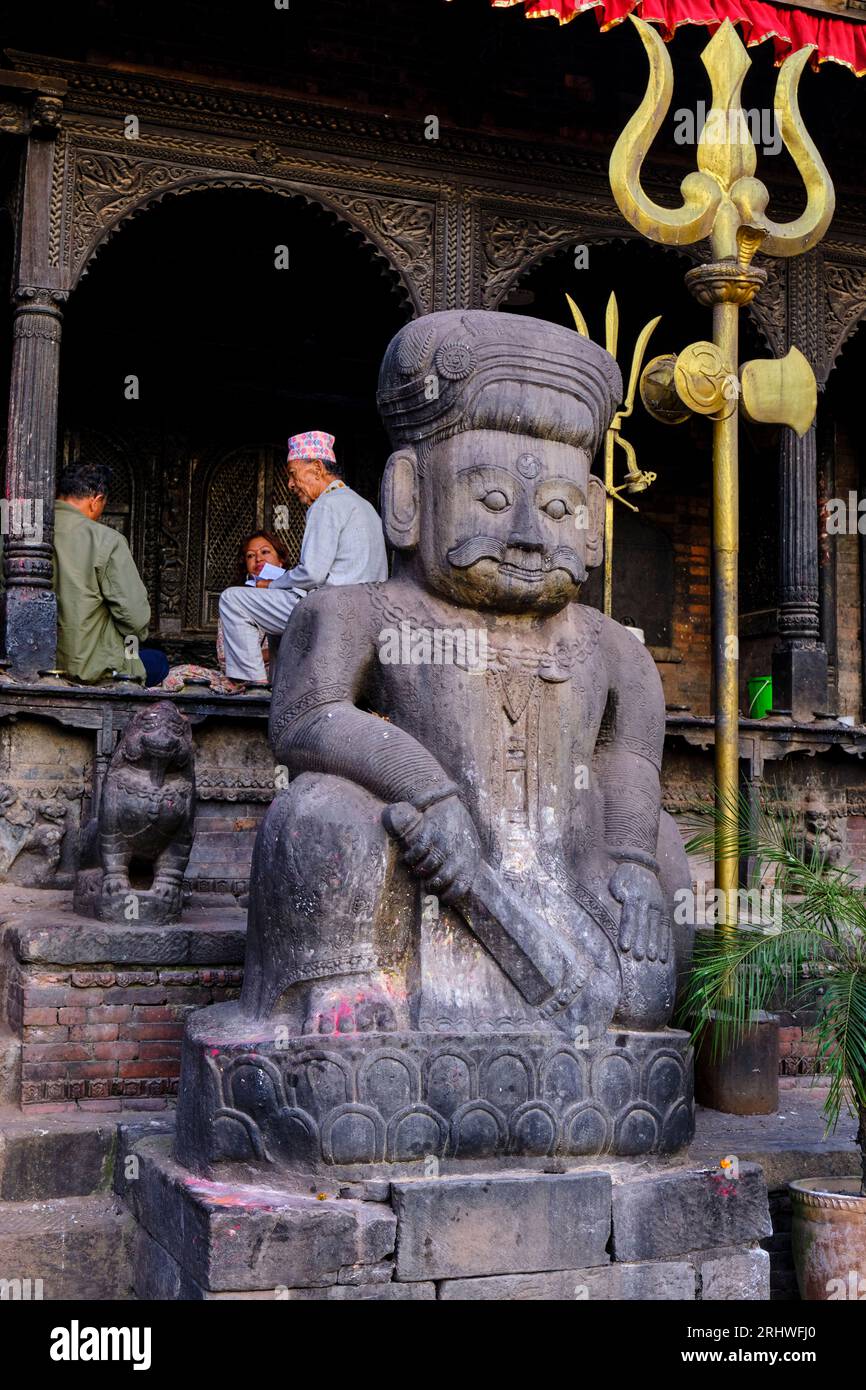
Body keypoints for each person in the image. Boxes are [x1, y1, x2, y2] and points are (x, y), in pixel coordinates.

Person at [219, 431, 388, 687]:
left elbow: (312, 574)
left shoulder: (326, 504)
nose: (290, 484)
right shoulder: (365, 507)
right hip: (365, 613)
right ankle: (278, 686)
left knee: (233, 599)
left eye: (292, 473)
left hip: (329, 611)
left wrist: (270, 585)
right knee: (275, 620)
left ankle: (250, 684)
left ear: (317, 469)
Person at [53, 461, 168, 686]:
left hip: (35, 665)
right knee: (158, 661)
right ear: (96, 500)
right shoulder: (106, 540)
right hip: (90, 669)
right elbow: (135, 619)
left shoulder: (25, 531)